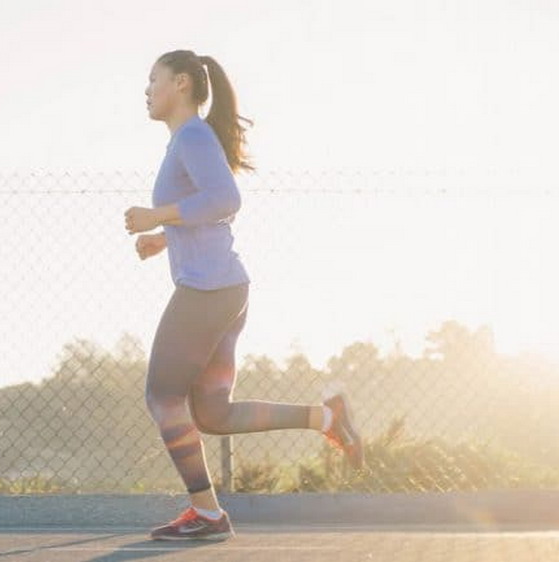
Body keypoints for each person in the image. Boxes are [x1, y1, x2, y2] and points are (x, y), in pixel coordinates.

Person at [124, 49, 364, 541]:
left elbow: (226, 201)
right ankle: (327, 417)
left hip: (208, 291)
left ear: (183, 84)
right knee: (211, 413)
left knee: (163, 396)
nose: (147, 90)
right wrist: (164, 238)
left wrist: (158, 216)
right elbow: (211, 209)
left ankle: (208, 515)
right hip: (225, 289)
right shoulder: (187, 140)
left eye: (154, 79)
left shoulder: (191, 135)